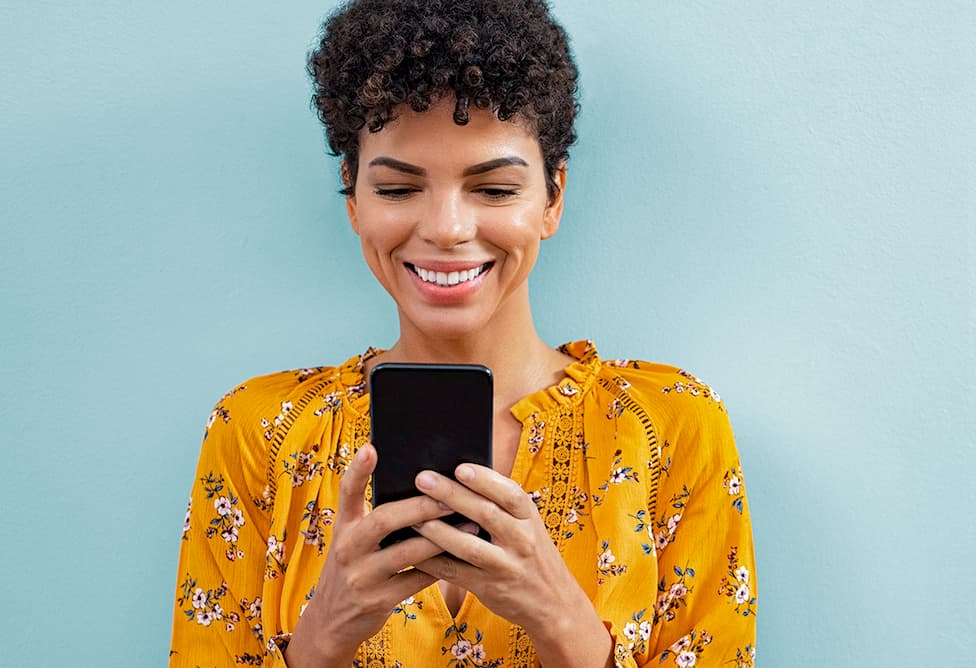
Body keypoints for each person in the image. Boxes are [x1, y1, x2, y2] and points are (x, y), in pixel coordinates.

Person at [168, 1, 757, 666]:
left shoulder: (669, 429)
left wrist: (561, 620)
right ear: (353, 197)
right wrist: (322, 635)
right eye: (397, 189)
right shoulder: (261, 434)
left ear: (553, 197)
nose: (447, 229)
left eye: (495, 190)